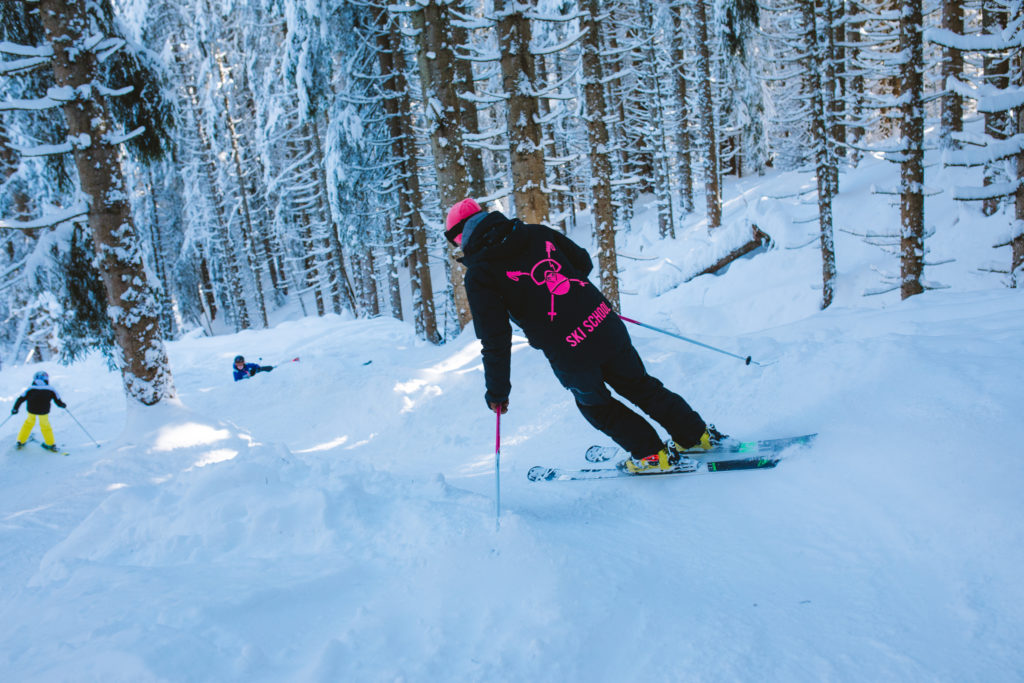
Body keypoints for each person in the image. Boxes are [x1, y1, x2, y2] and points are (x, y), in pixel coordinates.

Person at [444, 198, 725, 473]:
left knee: (596, 405)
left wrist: (497, 391)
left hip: (570, 351)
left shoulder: (480, 273)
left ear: (461, 236)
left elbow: (495, 337)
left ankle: (652, 455)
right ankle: (696, 437)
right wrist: (573, 300)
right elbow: (582, 262)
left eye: (454, 241)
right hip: (603, 323)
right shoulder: (535, 232)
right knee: (641, 385)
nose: (458, 246)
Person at [11, 371, 66, 452]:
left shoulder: (30, 388)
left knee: (28, 424)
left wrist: (15, 409)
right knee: (45, 426)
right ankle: (50, 444)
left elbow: (20, 399)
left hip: (32, 410)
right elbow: (57, 400)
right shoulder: (50, 389)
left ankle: (20, 441)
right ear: (46, 379)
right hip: (44, 411)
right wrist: (62, 405)